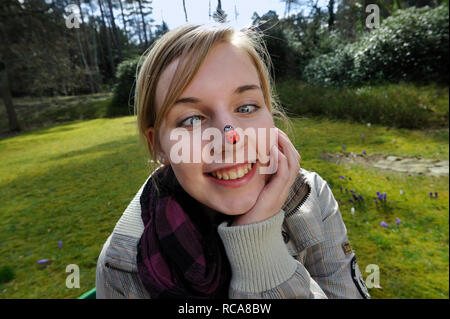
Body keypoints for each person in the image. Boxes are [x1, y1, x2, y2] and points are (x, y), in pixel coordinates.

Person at [95, 23, 371, 299]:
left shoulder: (313, 197)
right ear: (159, 146)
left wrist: (259, 248)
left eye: (246, 107)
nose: (230, 139)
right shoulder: (121, 265)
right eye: (191, 119)